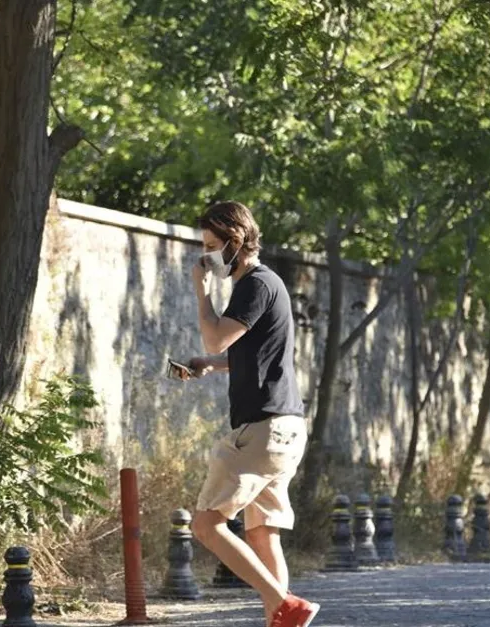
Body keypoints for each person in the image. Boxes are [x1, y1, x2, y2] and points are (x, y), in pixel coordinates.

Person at [176, 200, 319, 627]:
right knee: (262, 533)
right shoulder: (268, 283)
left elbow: (216, 338)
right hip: (286, 429)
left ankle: (285, 604)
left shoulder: (254, 284)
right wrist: (209, 365)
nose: (206, 256)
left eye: (211, 246)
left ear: (235, 241)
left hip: (262, 429)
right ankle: (283, 619)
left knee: (206, 525)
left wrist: (201, 290)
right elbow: (250, 355)